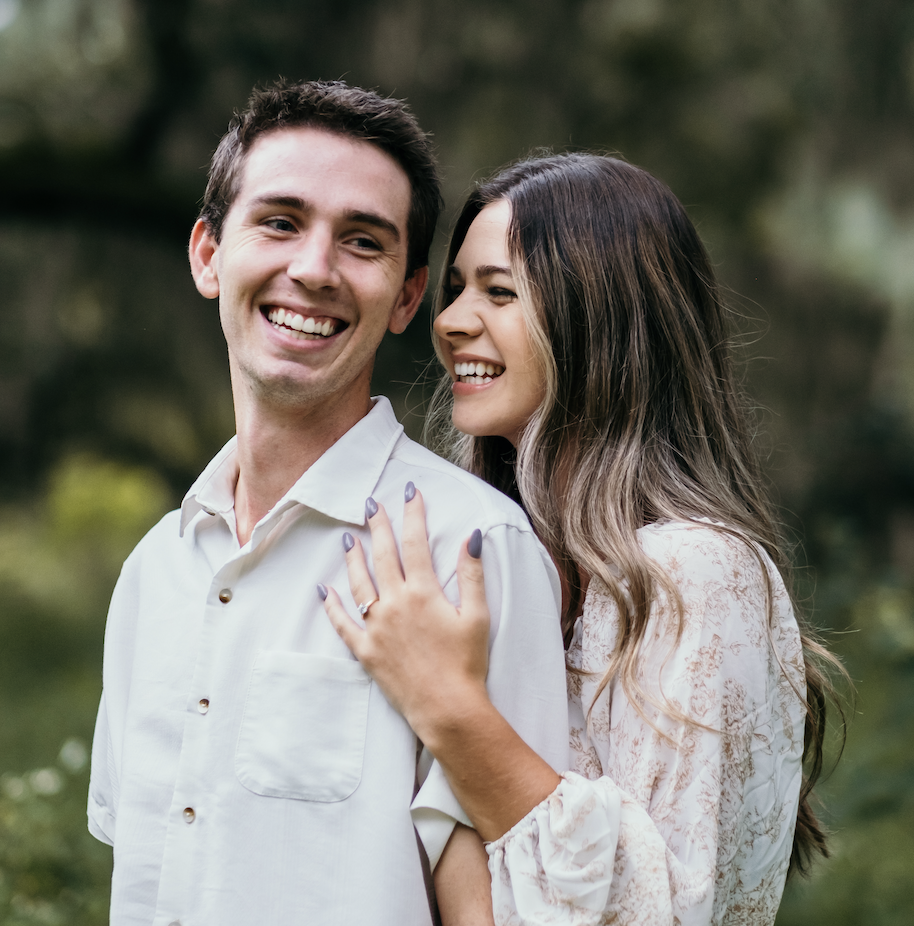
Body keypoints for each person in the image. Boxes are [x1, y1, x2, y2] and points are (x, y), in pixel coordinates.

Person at [86, 81, 569, 926]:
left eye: (362, 241)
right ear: (207, 254)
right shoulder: (154, 572)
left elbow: (521, 903)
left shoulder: (475, 550)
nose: (312, 269)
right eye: (279, 221)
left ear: (408, 297)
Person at [322, 153, 843, 924]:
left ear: (601, 319)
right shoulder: (518, 559)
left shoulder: (691, 571)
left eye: (500, 292)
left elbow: (658, 910)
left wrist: (447, 706)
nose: (453, 320)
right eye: (458, 287)